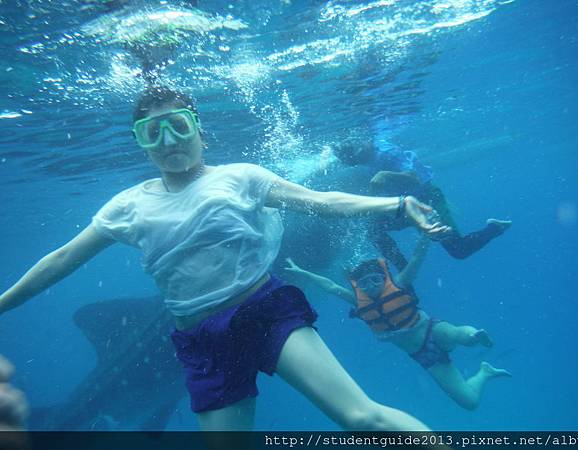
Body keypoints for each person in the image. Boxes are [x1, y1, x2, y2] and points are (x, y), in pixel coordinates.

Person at [0, 86, 453, 432]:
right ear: (139, 142)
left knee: (363, 418)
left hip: (264, 312)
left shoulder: (241, 176)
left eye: (178, 125)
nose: (168, 139)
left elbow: (320, 201)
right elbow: (61, 260)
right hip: (199, 338)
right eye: (151, 131)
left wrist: (396, 205)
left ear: (199, 128)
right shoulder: (125, 206)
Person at [284, 234, 511, 410]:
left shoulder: (400, 283)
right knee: (469, 402)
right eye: (365, 283)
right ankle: (485, 372)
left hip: (432, 329)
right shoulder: (357, 300)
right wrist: (302, 272)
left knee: (460, 335)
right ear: (358, 286)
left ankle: (475, 336)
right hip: (423, 355)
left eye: (376, 279)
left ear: (385, 278)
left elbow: (416, 259)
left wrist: (424, 236)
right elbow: (331, 286)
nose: (371, 285)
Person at [332, 136, 511, 268]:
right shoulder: (365, 157)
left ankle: (495, 228)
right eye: (352, 162)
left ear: (364, 144)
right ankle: (402, 270)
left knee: (458, 250)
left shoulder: (386, 152)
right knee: (373, 230)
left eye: (356, 158)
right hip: (403, 206)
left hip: (428, 200)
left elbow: (414, 178)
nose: (357, 162)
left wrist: (385, 175)